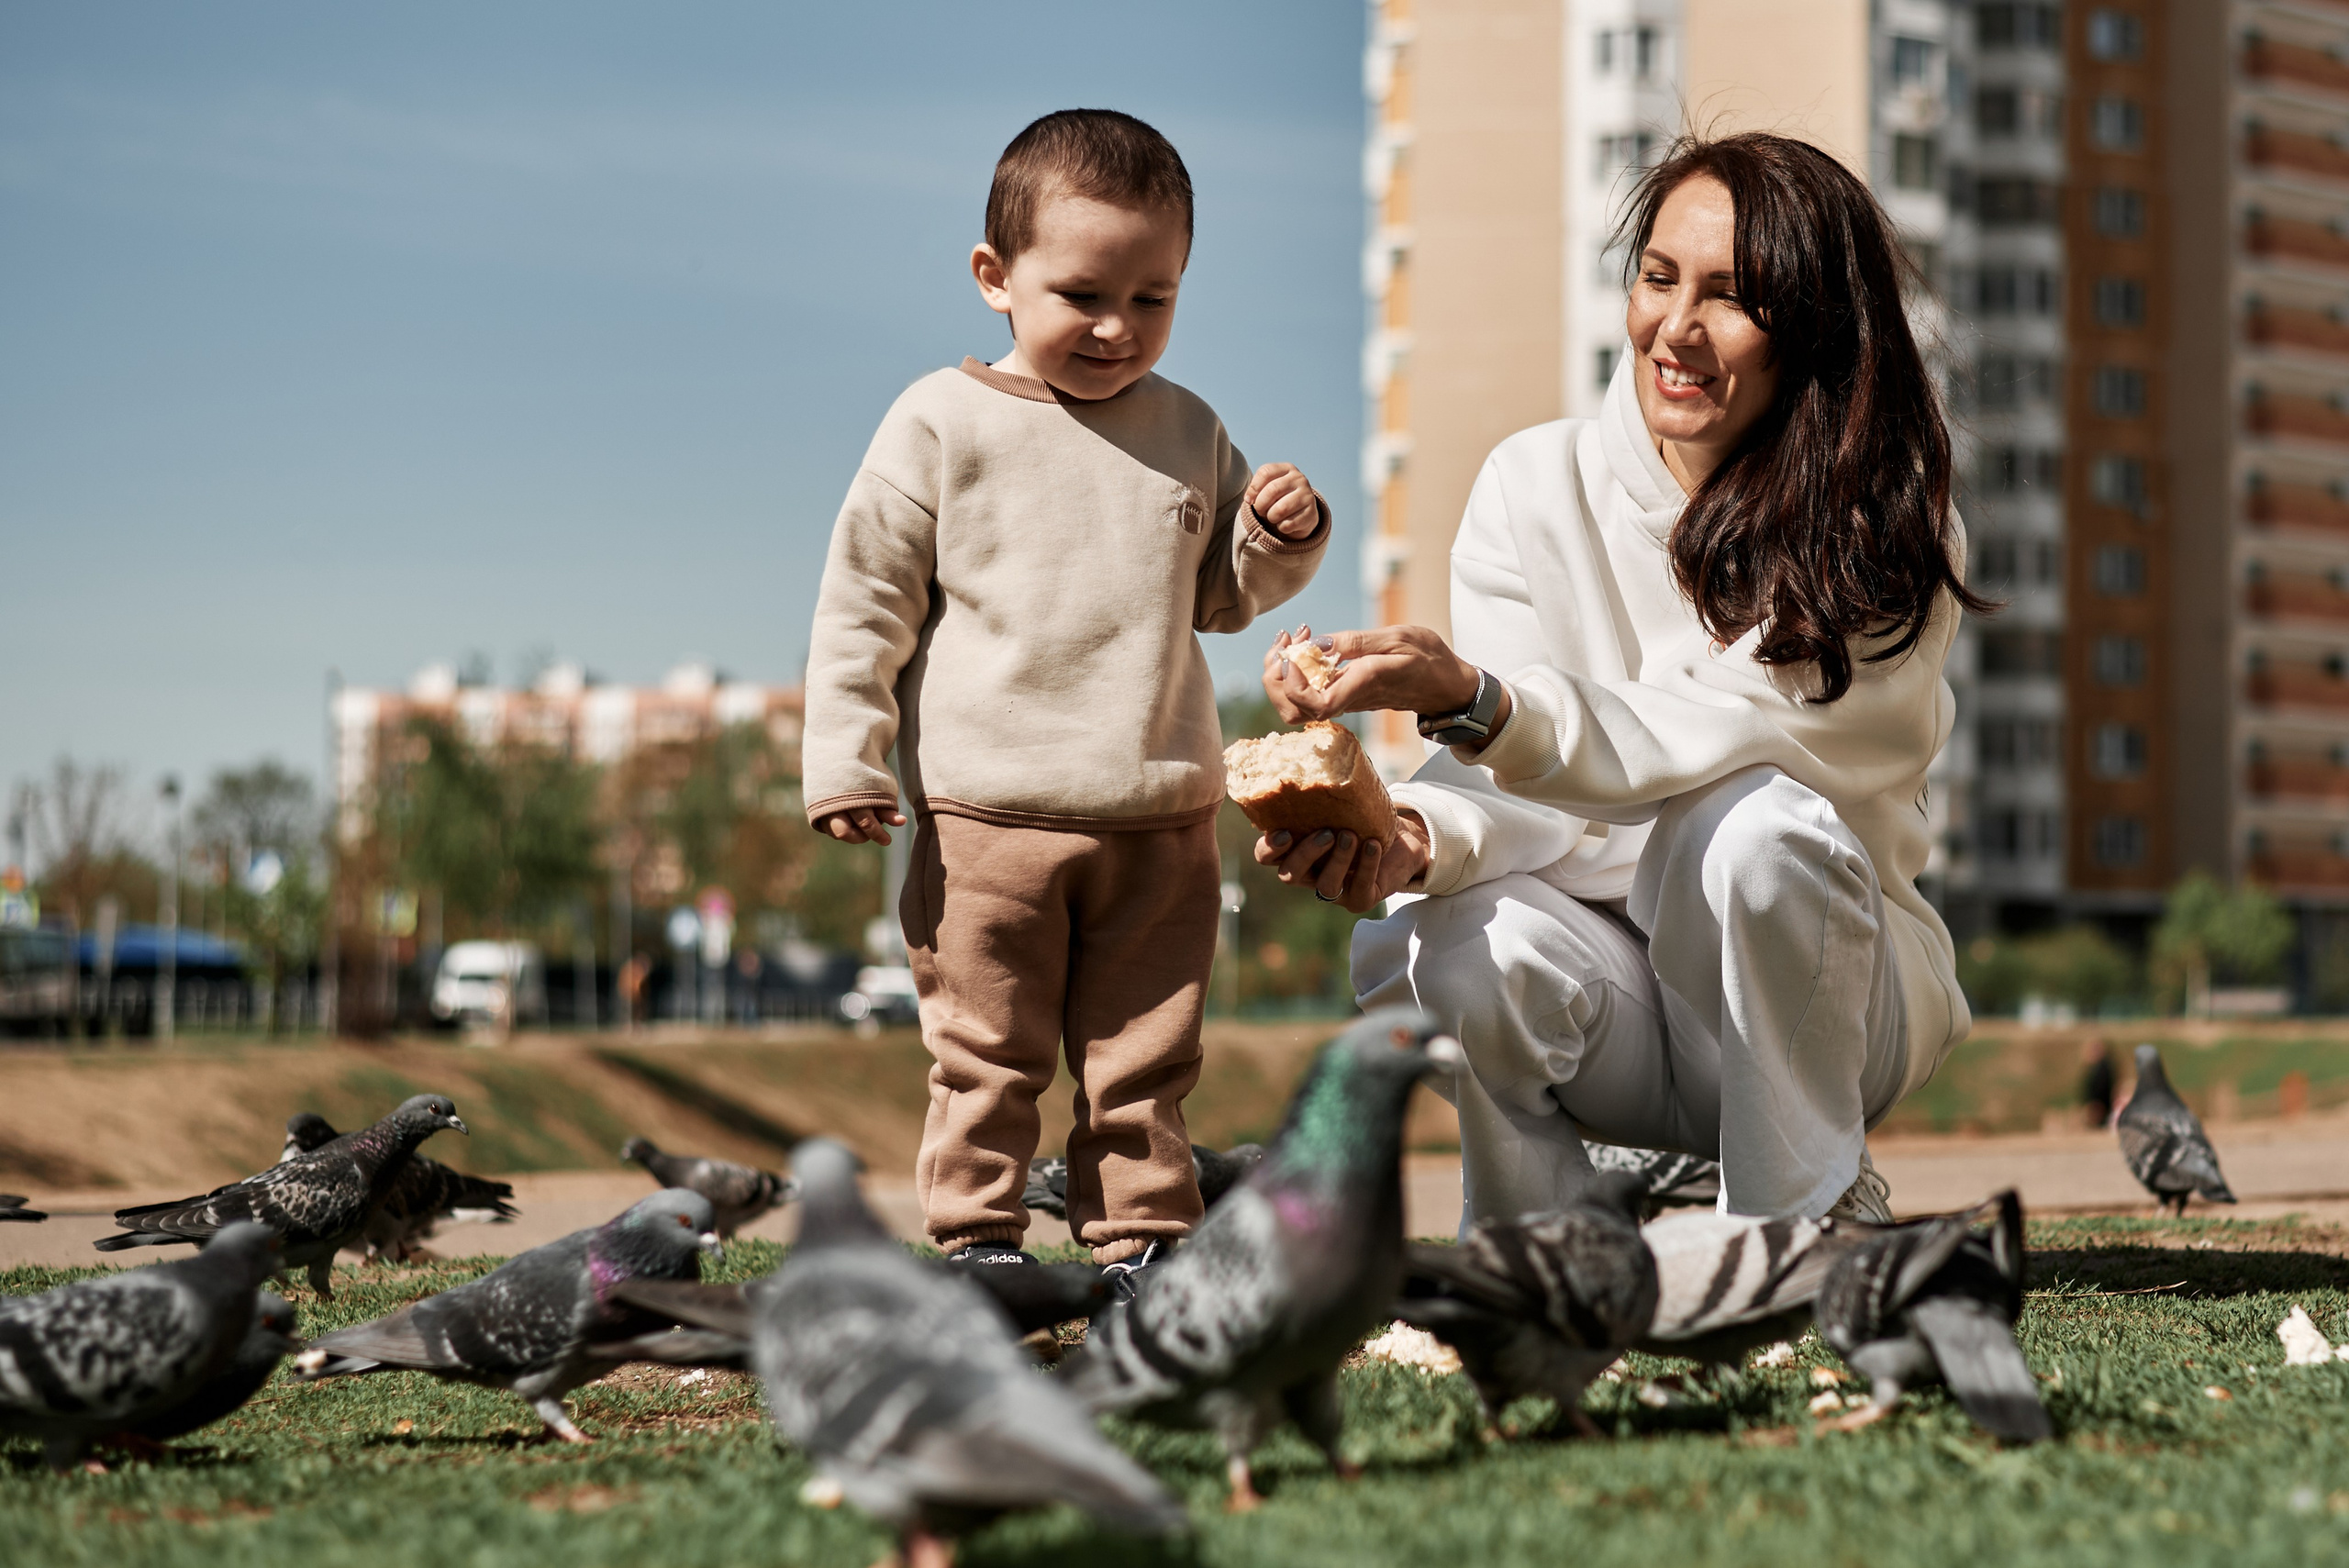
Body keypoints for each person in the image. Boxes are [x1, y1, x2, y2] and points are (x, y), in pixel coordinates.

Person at [1253, 132, 1987, 1226]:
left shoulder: (1880, 530)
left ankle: (1802, 1225)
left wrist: (1481, 703)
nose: (1674, 330)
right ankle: (1531, 1254)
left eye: (1731, 297)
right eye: (1657, 277)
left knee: (1746, 822)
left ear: (1815, 327)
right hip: (1619, 1004)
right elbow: (1523, 797)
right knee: (1462, 930)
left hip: (1832, 999)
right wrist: (1415, 836)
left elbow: (1696, 729)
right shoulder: (1529, 486)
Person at [799, 111, 1330, 1279]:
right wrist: (846, 753)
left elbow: (1225, 598)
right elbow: (864, 600)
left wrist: (1278, 539)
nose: (1116, 327)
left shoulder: (1190, 429)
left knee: (1145, 1051)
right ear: (994, 276)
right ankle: (980, 1237)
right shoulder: (940, 420)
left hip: (1159, 807)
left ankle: (1142, 1239)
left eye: (1155, 297)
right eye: (1083, 291)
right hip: (989, 812)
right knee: (987, 1048)